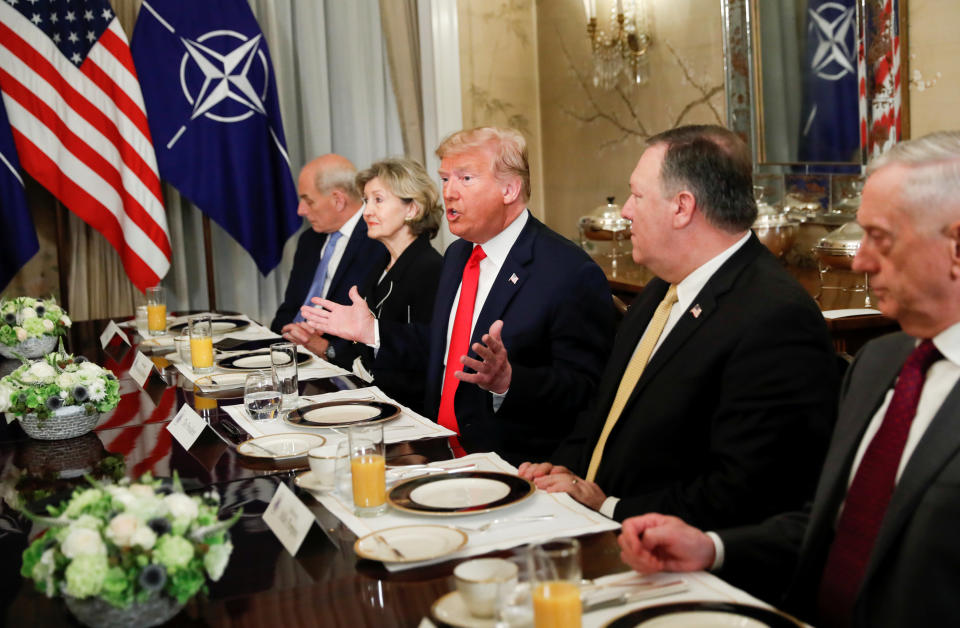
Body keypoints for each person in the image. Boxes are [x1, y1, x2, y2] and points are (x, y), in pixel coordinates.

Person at [616, 131, 960, 628]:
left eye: (881, 237)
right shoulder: (881, 363)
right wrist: (711, 546)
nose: (860, 259)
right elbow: (837, 523)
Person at [518, 125, 838, 528]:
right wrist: (562, 472)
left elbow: (751, 491)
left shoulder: (774, 318)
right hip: (594, 524)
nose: (626, 211)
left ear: (682, 207)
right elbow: (605, 415)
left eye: (637, 195)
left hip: (683, 560)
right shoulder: (660, 290)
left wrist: (609, 507)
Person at [300, 127, 613, 464]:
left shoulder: (567, 271)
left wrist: (509, 381)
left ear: (509, 189)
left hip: (510, 463)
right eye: (445, 179)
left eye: (465, 179)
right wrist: (372, 331)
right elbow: (442, 348)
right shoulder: (458, 255)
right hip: (436, 446)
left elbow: (586, 392)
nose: (448, 192)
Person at [270, 154, 388, 361]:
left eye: (308, 201)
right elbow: (289, 308)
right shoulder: (309, 240)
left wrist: (327, 348)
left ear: (338, 200)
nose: (300, 210)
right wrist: (288, 334)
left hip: (336, 362)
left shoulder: (378, 242)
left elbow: (377, 327)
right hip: (289, 354)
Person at [349, 158, 443, 412]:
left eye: (378, 200)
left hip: (410, 409)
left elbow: (429, 350)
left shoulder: (430, 269)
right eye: (366, 201)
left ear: (412, 209)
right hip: (374, 396)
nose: (367, 211)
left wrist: (370, 332)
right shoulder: (379, 263)